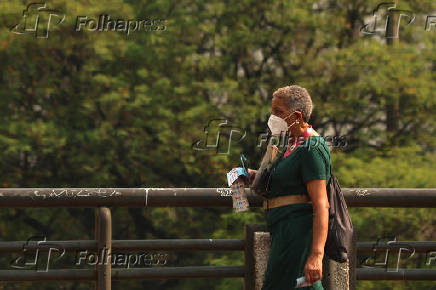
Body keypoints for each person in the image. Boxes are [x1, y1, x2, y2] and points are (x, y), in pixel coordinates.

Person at [247, 85, 330, 289]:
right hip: (282, 230)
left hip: (297, 233)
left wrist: (317, 256)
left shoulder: (312, 148)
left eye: (279, 112)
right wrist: (252, 176)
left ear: (297, 115)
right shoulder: (290, 144)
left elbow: (321, 205)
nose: (273, 117)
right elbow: (287, 183)